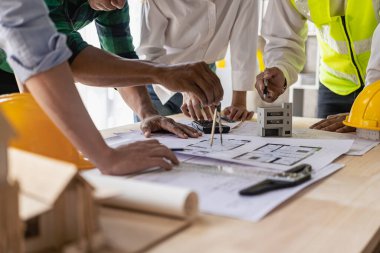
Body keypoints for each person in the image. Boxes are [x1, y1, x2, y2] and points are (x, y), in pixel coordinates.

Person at [0, 0, 222, 175]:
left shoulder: (113, 2)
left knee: (42, 167)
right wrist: (161, 72)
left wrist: (147, 112)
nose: (118, 4)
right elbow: (58, 55)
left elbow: (121, 56)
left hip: (31, 70)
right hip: (8, 73)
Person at [255, 0, 380, 123]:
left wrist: (369, 101)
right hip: (334, 85)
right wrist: (281, 67)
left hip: (377, 85)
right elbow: (283, 36)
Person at [137, 0, 258, 121]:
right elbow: (149, 54)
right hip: (159, 81)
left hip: (206, 80)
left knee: (207, 137)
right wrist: (185, 88)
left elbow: (244, 42)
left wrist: (239, 102)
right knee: (156, 136)